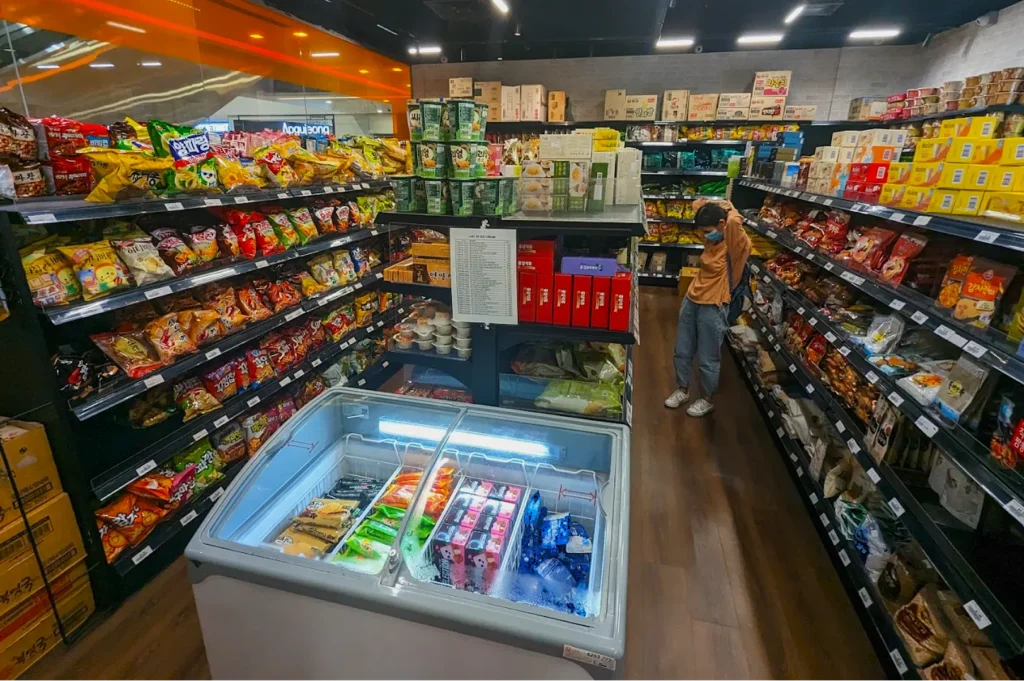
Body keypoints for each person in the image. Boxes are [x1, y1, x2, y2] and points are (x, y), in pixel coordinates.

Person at [664, 199, 751, 416]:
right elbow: (697, 204)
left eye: (708, 230)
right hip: (692, 297)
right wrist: (718, 205)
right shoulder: (712, 239)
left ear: (722, 224)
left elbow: (734, 222)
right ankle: (682, 389)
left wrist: (730, 208)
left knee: (708, 356)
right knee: (682, 349)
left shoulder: (736, 245)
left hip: (715, 304)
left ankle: (707, 398)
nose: (704, 235)